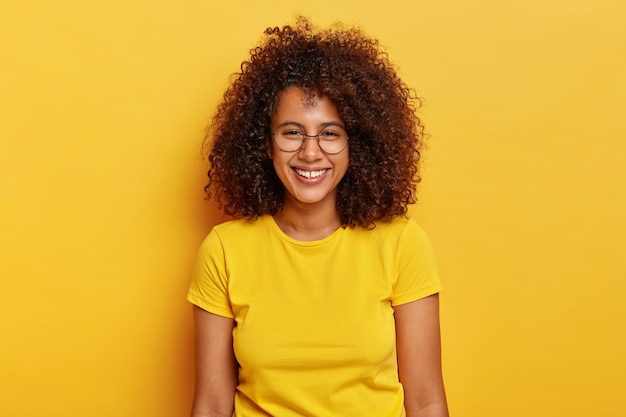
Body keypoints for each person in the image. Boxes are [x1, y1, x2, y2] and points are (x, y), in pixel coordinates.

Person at [187, 17, 449, 417]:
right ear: (265, 143)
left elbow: (427, 400)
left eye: (330, 133)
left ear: (355, 143)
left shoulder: (401, 243)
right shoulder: (224, 250)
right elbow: (211, 404)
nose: (310, 153)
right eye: (292, 132)